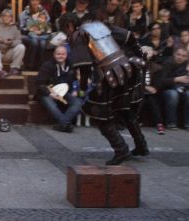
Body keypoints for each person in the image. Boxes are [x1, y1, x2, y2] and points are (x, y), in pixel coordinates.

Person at [63, 16, 147, 164]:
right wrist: (137, 55)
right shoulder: (100, 26)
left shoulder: (79, 35)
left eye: (65, 29)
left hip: (108, 76)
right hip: (126, 70)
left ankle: (121, 150)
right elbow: (129, 36)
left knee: (101, 115)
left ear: (70, 25)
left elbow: (84, 66)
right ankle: (141, 145)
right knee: (124, 109)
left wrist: (83, 88)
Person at [36, 45, 83, 132]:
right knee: (51, 105)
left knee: (78, 102)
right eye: (58, 54)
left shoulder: (71, 65)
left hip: (65, 93)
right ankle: (65, 124)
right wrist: (50, 93)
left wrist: (75, 90)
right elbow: (39, 83)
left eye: (63, 54)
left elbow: (76, 80)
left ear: (66, 55)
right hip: (47, 93)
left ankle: (62, 124)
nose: (61, 56)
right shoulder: (47, 65)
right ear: (54, 54)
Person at [160, 47, 189, 130]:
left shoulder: (188, 65)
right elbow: (161, 81)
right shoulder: (167, 63)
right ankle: (171, 122)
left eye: (183, 56)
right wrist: (176, 79)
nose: (180, 57)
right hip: (168, 89)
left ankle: (188, 123)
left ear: (186, 57)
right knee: (173, 94)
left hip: (183, 88)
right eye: (178, 54)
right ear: (174, 54)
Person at [0, 9, 25, 78]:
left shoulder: (14, 28)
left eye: (9, 16)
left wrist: (11, 43)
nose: (7, 18)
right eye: (5, 16)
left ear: (11, 18)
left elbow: (19, 40)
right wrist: (1, 40)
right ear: (2, 17)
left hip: (8, 52)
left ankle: (14, 68)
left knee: (21, 47)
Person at [19, 0, 52, 71]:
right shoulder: (24, 13)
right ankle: (30, 65)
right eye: (33, 0)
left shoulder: (44, 12)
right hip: (29, 34)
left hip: (42, 34)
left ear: (39, 1)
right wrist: (30, 29)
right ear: (30, 2)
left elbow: (47, 24)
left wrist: (42, 30)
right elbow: (21, 28)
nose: (35, 2)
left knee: (43, 44)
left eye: (37, 0)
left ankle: (41, 66)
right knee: (34, 42)